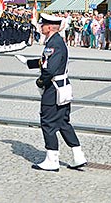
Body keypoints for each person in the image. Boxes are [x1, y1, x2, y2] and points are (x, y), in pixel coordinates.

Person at [15, 13, 87, 172]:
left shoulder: (53, 44)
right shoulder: (56, 41)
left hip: (53, 89)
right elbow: (46, 61)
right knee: (62, 122)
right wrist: (29, 62)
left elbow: (49, 69)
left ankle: (52, 159)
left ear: (48, 28)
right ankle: (78, 155)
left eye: (42, 25)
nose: (40, 27)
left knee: (47, 123)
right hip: (62, 87)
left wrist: (40, 82)